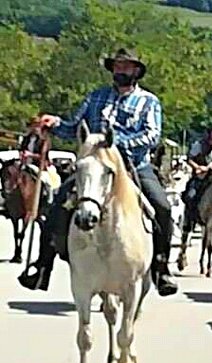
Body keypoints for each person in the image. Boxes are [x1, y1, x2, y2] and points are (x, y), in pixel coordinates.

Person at [18, 47, 178, 297]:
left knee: (163, 207)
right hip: (93, 164)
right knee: (58, 203)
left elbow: (151, 135)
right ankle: (42, 265)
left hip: (132, 165)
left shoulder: (149, 101)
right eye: (116, 66)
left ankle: (160, 266)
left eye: (125, 67)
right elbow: (74, 127)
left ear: (136, 71)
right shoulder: (96, 97)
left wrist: (113, 142)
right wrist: (55, 124)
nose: (119, 71)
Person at [181, 125, 212, 231]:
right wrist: (198, 167)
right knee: (190, 196)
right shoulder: (199, 145)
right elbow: (190, 159)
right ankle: (189, 220)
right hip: (201, 177)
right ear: (211, 133)